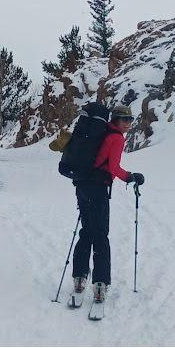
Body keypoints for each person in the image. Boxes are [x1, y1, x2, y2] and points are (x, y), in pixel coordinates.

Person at [71, 103, 145, 306]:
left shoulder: (101, 133)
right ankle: (100, 283)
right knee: (101, 234)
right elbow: (113, 167)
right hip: (98, 189)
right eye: (124, 119)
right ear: (115, 120)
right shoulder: (116, 138)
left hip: (83, 185)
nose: (128, 123)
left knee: (86, 231)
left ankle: (79, 277)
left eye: (130, 119)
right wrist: (131, 177)